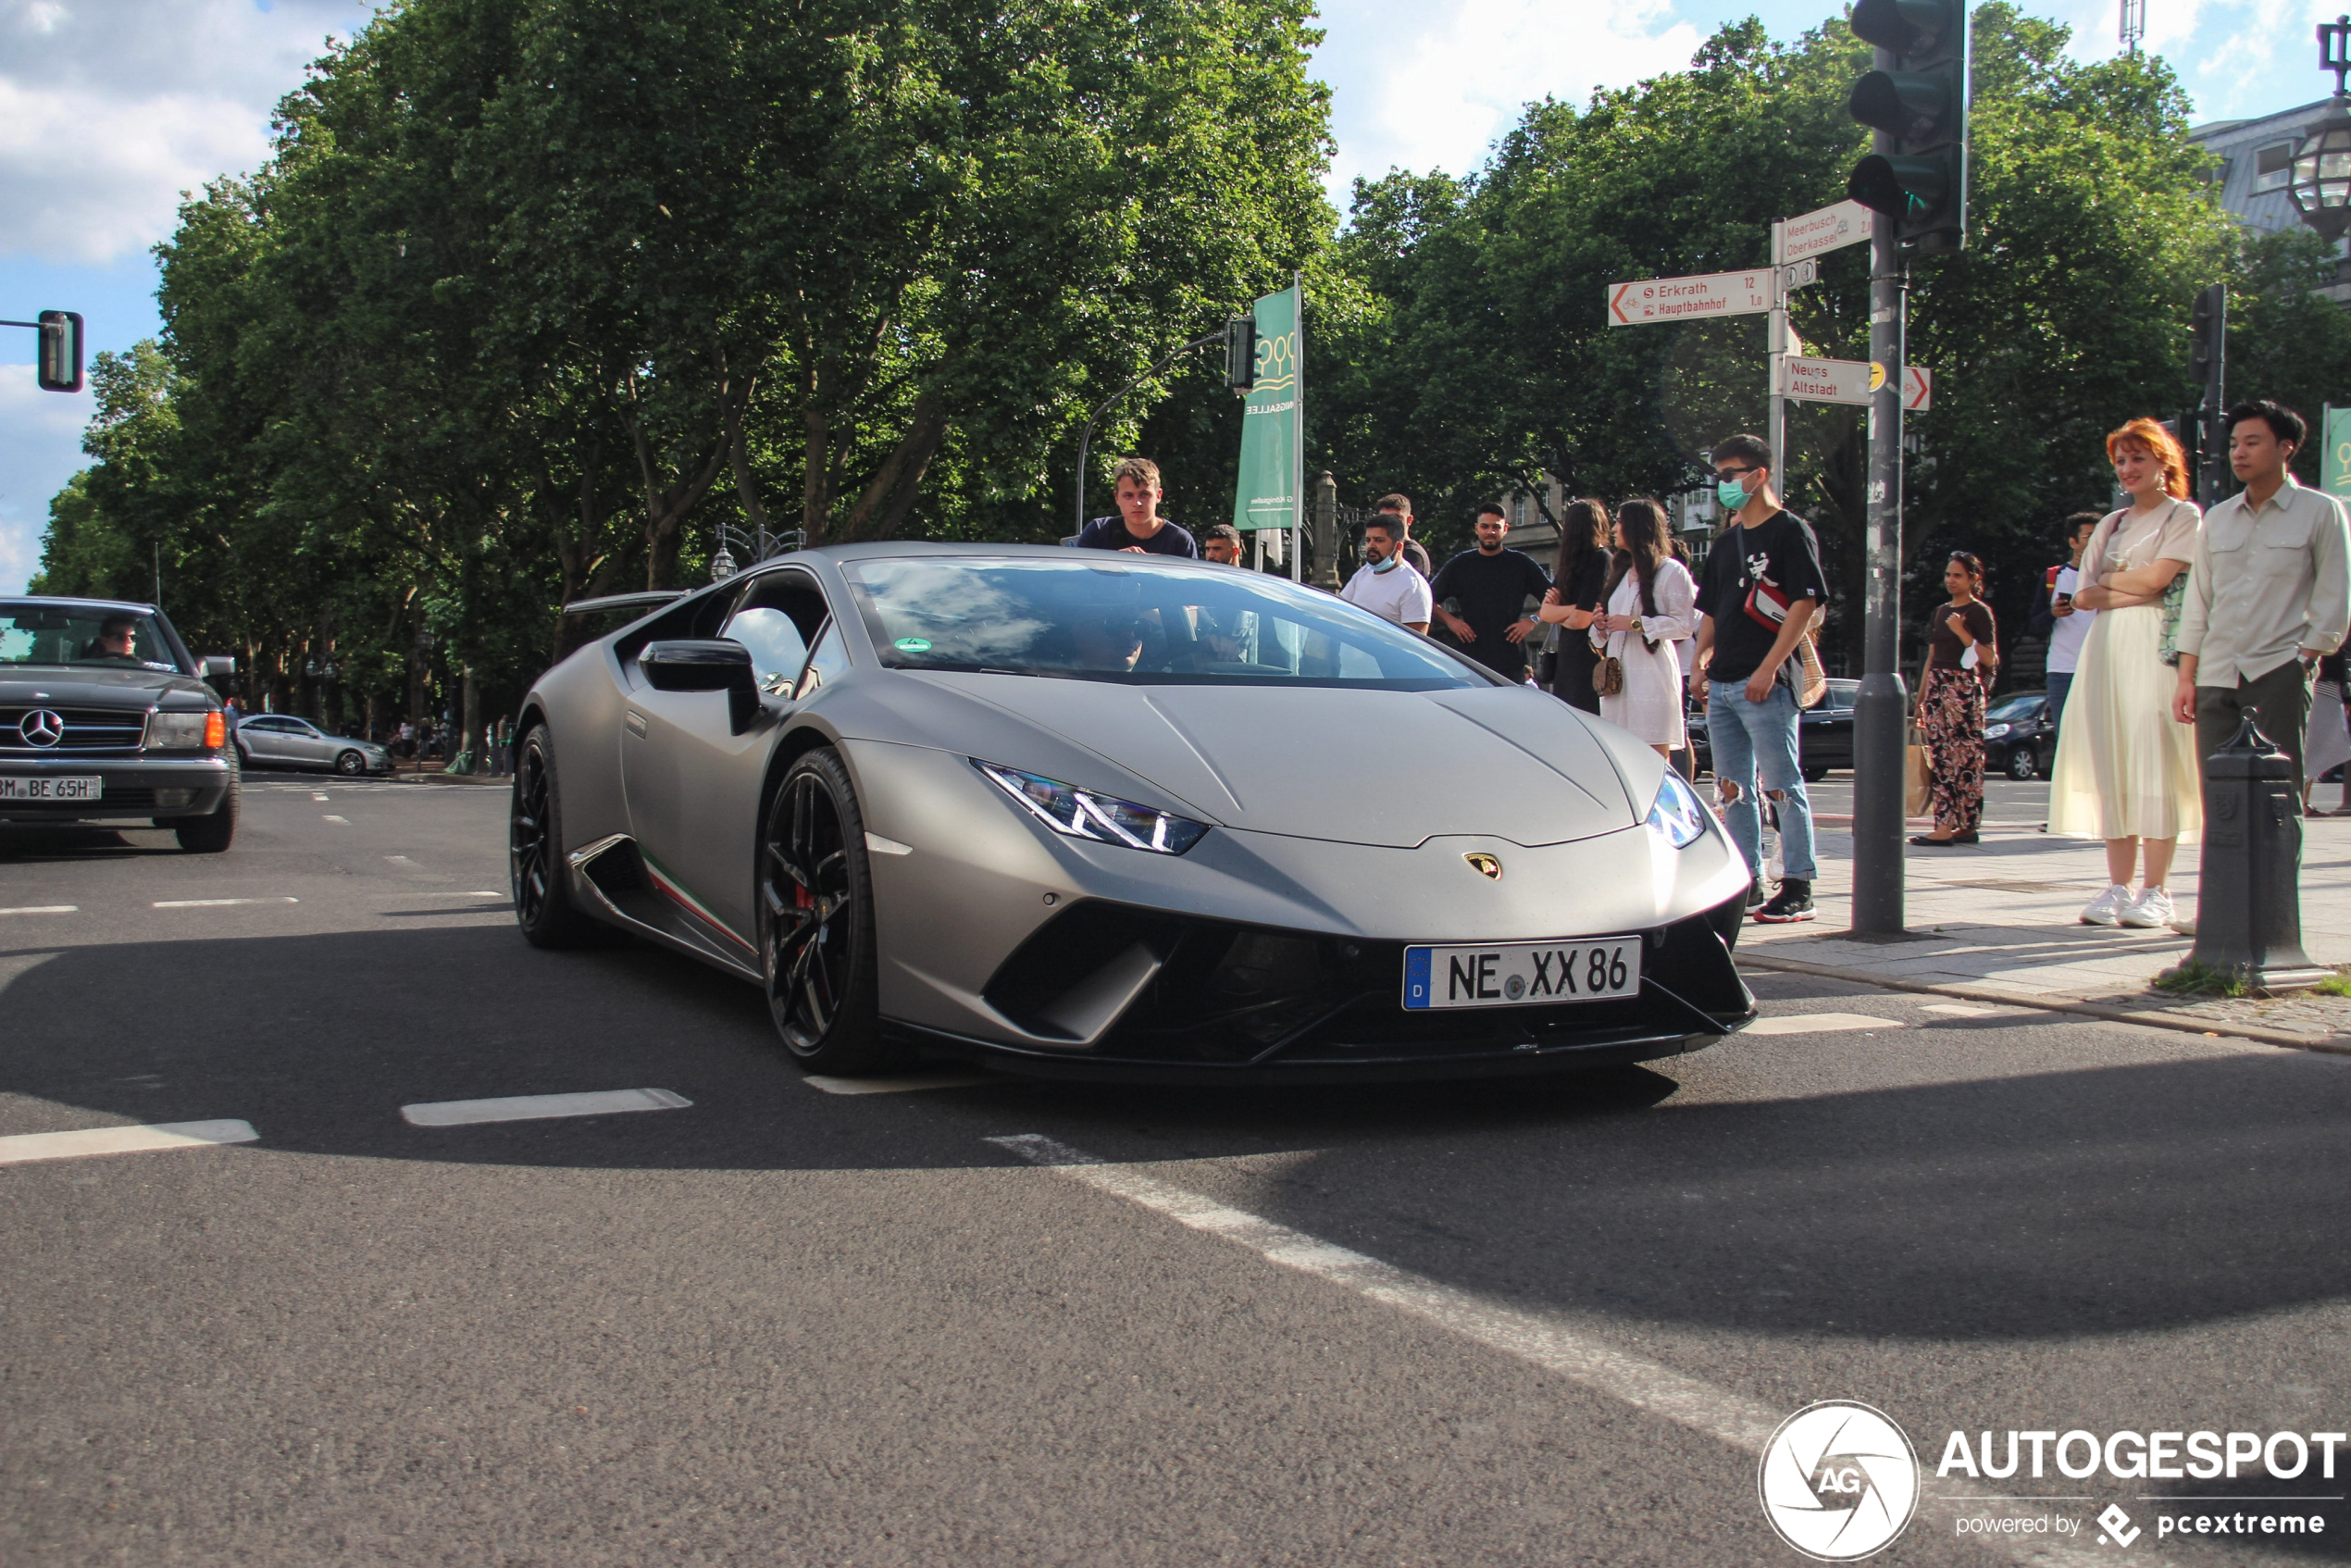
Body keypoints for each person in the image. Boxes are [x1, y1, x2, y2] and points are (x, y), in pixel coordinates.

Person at [2046, 418, 2204, 927]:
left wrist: (2119, 584)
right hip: (2106, 651)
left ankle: (2157, 890)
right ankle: (2118, 885)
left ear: (2164, 462)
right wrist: (2133, 586)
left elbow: (2163, 580)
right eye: (2121, 461)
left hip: (2156, 648)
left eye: (2138, 458)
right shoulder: (2112, 523)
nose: (2128, 469)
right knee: (2112, 760)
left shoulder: (2184, 516)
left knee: (2154, 758)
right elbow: (2082, 593)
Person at [2173, 400, 2351, 789]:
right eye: (2235, 443)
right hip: (2215, 674)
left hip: (2278, 669)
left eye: (2252, 442)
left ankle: (2283, 854)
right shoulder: (2217, 518)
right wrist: (2187, 677)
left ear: (2286, 447)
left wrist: (2304, 660)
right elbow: (2199, 600)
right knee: (2220, 798)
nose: (2239, 452)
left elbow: (2334, 595)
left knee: (2279, 795)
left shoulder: (2322, 511)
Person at [1690, 433, 1826, 923]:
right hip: (1724, 681)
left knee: (1782, 785)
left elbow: (1805, 602)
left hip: (1767, 680)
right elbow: (1711, 608)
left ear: (1758, 474)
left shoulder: (1791, 531)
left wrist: (1769, 667)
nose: (1723, 484)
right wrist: (1698, 662)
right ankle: (1746, 879)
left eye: (1731, 474)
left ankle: (1798, 883)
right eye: (1719, 475)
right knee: (1732, 788)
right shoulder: (1727, 542)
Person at [1589, 499, 1698, 756]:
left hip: (1651, 675)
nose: (1614, 529)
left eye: (1619, 521)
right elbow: (1602, 634)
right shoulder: (1621, 572)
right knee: (1621, 754)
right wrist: (1601, 625)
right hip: (1617, 681)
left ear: (1637, 527)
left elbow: (1684, 624)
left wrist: (1637, 623)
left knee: (1653, 756)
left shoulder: (1671, 571)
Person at [1911, 553, 1999, 846]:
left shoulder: (1978, 613)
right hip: (1938, 686)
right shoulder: (1940, 612)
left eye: (1958, 575)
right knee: (1941, 758)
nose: (1950, 580)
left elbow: (1989, 658)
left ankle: (1964, 824)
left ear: (1974, 578)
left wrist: (1962, 632)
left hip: (1963, 690)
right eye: (1948, 574)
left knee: (1966, 759)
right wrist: (1921, 698)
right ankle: (1946, 823)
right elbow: (1932, 657)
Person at [1431, 504, 1551, 682]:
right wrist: (1451, 621)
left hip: (1511, 660)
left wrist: (1532, 621)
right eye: (1485, 526)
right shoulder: (1460, 564)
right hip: (1470, 659)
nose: (1490, 532)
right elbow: (1426, 600)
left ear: (1506, 529)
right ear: (1476, 528)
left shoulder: (1521, 564)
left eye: (1496, 527)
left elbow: (1554, 600)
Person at [1535, 497, 1611, 713]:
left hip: (1589, 658)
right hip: (1570, 658)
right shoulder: (1572, 563)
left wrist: (1567, 613)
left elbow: (1582, 620)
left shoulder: (1601, 560)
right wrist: (1573, 610)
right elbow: (1546, 612)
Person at [2033, 512, 2102, 746]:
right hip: (2062, 669)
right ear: (2073, 542)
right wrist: (2053, 614)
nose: (2096, 542)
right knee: (2068, 737)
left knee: (2099, 734)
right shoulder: (2054, 577)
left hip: (2100, 667)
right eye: (2090, 536)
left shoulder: (2109, 577)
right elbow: (2035, 625)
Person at [1076, 457, 1198, 557]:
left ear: (1158, 495)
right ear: (1117, 497)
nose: (1137, 503)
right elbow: (1078, 578)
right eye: (1128, 496)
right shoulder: (1098, 532)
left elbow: (1191, 586)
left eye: (1144, 495)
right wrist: (1114, 561)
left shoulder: (1179, 541)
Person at [1338, 516, 1433, 630]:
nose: (1371, 546)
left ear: (1398, 546)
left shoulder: (1413, 586)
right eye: (1368, 540)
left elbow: (1415, 642)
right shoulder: (1363, 573)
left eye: (1379, 540)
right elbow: (1340, 610)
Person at [1372, 493, 1436, 578]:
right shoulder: (1380, 551)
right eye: (1384, 518)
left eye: (1396, 518)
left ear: (1409, 520)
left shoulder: (1413, 554)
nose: (1389, 523)